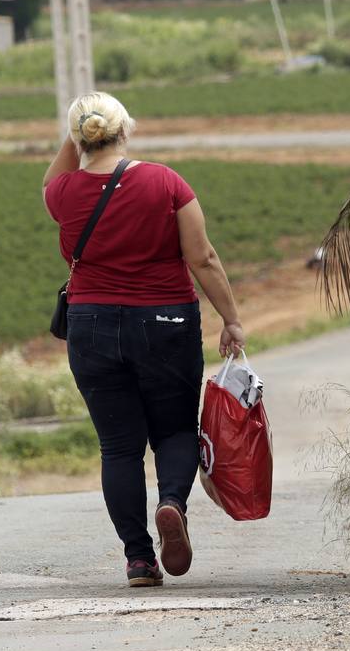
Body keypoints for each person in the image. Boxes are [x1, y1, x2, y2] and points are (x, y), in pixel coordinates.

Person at [43, 92, 245, 587]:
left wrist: (74, 134)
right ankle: (172, 503)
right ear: (126, 129)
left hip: (90, 326)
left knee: (118, 448)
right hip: (166, 322)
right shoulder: (164, 181)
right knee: (174, 430)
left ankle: (138, 559)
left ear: (77, 136)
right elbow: (203, 258)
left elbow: (55, 175)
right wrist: (231, 319)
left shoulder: (63, 192)